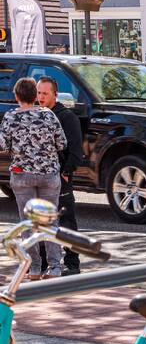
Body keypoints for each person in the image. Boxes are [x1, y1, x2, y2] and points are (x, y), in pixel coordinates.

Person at [0, 77, 66, 279]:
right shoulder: (48, 115)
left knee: (27, 223)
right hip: (48, 174)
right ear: (35, 95)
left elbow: (3, 146)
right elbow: (62, 143)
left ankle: (34, 267)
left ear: (17, 96)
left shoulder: (11, 117)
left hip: (22, 175)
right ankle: (54, 267)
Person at [37, 76, 85, 275]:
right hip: (41, 177)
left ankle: (72, 264)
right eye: (38, 93)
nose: (40, 97)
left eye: (44, 94)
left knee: (66, 221)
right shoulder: (36, 115)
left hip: (60, 178)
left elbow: (76, 150)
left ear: (55, 95)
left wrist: (66, 173)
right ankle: (41, 263)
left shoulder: (66, 117)